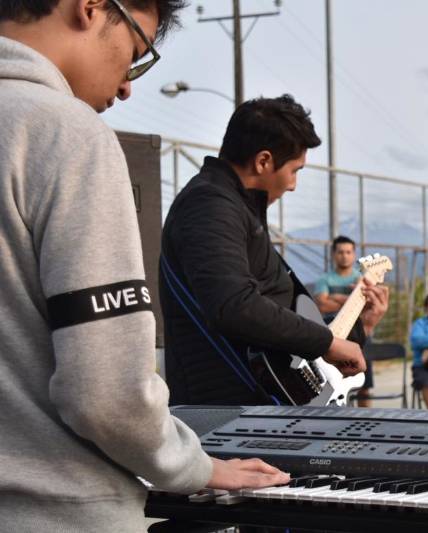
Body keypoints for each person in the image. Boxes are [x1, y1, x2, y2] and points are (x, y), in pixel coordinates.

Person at [0, 1, 288, 529]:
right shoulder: (64, 133)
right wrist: (193, 465)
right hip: (55, 510)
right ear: (89, 8)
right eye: (136, 53)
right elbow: (106, 395)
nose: (129, 85)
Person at [161, 95, 388, 406]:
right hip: (228, 421)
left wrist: (360, 326)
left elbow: (280, 326)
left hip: (257, 411)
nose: (293, 185)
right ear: (264, 161)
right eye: (295, 170)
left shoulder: (236, 208)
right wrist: (325, 343)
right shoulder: (210, 206)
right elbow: (235, 306)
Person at [314, 235, 375, 407]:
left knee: (364, 385)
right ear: (333, 254)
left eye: (348, 252)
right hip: (333, 334)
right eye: (340, 252)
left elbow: (365, 306)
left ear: (354, 255)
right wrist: (351, 299)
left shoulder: (362, 279)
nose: (344, 255)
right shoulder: (325, 279)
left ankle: (366, 420)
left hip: (359, 333)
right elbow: (322, 305)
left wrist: (334, 297)